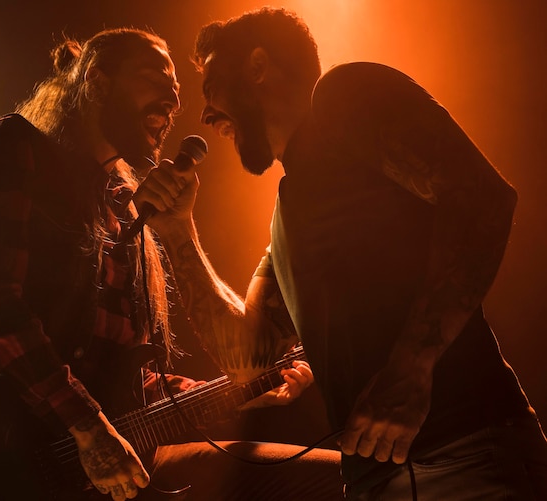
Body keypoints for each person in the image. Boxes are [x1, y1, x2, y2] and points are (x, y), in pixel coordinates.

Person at [138, 7, 547, 500]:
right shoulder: (286, 218)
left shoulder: (344, 95)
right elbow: (248, 361)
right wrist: (179, 231)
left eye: (212, 87)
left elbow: (483, 196)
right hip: (378, 479)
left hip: (465, 455)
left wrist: (410, 367)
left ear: (258, 65)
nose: (205, 114)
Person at [0, 27, 344, 501]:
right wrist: (88, 427)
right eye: (156, 79)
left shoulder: (128, 206)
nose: (174, 101)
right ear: (98, 82)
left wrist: (245, 388)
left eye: (177, 92)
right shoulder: (16, 146)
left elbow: (131, 385)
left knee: (331, 482)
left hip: (123, 464)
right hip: (20, 462)